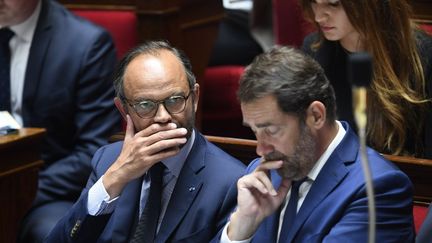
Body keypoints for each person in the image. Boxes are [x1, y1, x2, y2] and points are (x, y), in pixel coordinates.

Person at [45, 40, 246, 242]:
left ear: (194, 98)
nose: (162, 117)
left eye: (175, 100)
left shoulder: (230, 183)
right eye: (145, 105)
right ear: (124, 110)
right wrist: (115, 178)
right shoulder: (109, 160)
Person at [219, 46, 414, 242]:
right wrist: (241, 229)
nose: (260, 149)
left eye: (271, 131)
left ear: (316, 116)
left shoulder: (377, 189)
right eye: (255, 131)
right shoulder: (261, 177)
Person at [0, 0, 121, 241]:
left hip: (50, 190)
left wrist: (16, 190)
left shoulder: (86, 45)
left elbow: (92, 151)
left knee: (50, 233)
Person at [300, 0, 432, 158]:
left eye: (333, 4)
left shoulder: (423, 57)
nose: (318, 16)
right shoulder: (313, 50)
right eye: (314, 2)